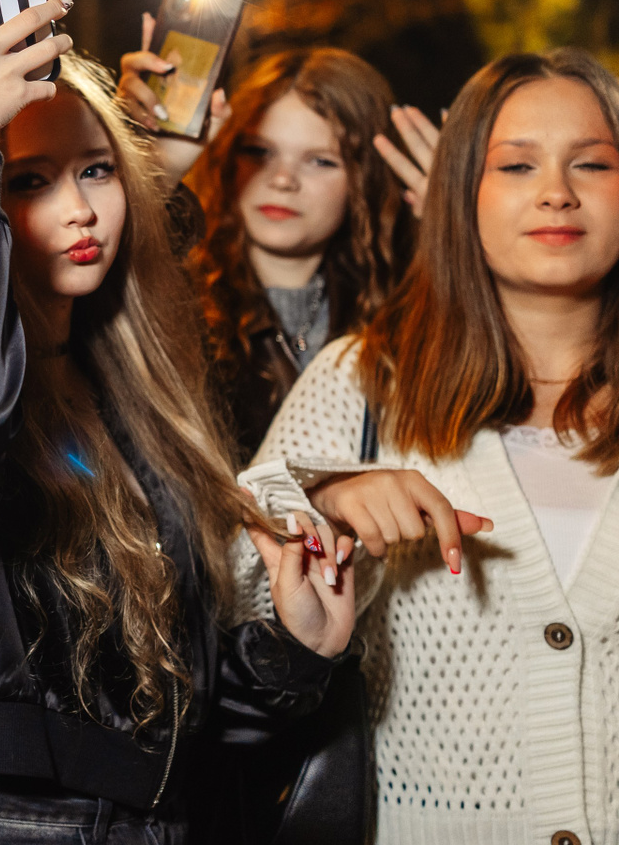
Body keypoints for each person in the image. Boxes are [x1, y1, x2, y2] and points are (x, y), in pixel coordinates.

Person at [0, 0, 355, 844]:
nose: (80, 210)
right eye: (27, 181)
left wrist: (293, 653)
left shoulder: (138, 400)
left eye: (97, 169)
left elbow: (180, 739)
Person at [241, 47, 619, 845]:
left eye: (593, 163)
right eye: (517, 166)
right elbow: (222, 573)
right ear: (459, 192)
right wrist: (324, 501)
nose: (557, 191)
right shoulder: (362, 379)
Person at [171, 48, 414, 459]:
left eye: (320, 161)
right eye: (259, 152)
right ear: (226, 158)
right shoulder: (171, 297)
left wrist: (451, 233)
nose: (283, 179)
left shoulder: (402, 308)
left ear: (365, 180)